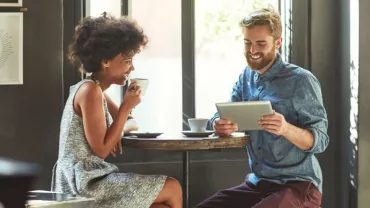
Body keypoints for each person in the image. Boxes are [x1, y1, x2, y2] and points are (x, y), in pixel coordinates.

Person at [196, 8, 328, 208]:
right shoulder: (246, 78)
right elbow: (225, 113)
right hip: (259, 183)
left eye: (260, 44)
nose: (252, 50)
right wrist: (218, 123)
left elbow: (321, 141)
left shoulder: (301, 81)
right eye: (247, 43)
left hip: (299, 186)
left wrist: (285, 129)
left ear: (278, 42)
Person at [51, 13, 182, 208]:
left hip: (92, 179)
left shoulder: (96, 90)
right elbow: (102, 150)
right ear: (105, 61)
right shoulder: (90, 91)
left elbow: (131, 122)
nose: (132, 67)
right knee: (172, 187)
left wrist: (117, 131)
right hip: (84, 183)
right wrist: (126, 106)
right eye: (128, 61)